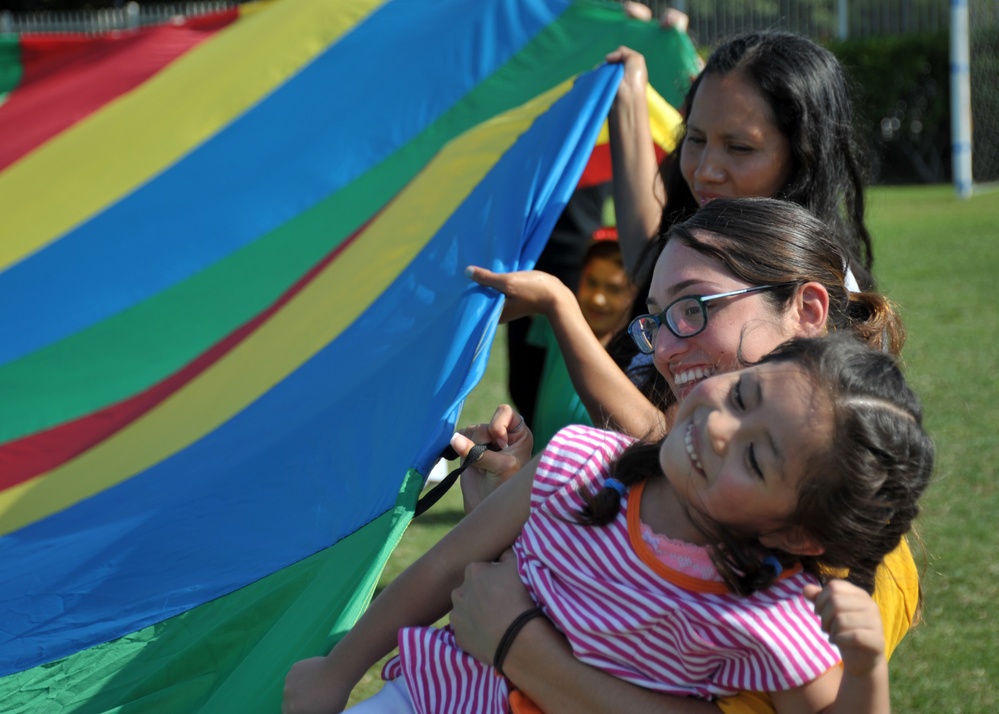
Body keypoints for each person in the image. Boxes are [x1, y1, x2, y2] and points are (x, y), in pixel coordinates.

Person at [283, 333, 934, 714]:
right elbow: (444, 566)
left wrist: (865, 670)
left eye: (756, 458)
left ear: (796, 535)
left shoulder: (775, 614)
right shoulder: (579, 462)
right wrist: (338, 672)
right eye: (742, 394)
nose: (718, 427)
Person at [452, 198, 917, 714]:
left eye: (695, 308)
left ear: (807, 311)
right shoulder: (676, 472)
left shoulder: (849, 551)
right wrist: (511, 507)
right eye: (658, 320)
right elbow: (582, 607)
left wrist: (519, 644)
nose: (664, 351)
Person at [606, 31, 875, 293]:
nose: (704, 171)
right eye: (696, 139)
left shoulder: (811, 293)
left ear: (804, 155)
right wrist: (629, 96)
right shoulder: (693, 253)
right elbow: (647, 262)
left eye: (739, 148)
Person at [530, 230, 638, 451]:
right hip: (536, 469)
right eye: (591, 282)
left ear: (635, 294)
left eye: (614, 289)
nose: (598, 298)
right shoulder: (559, 327)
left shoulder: (638, 360)